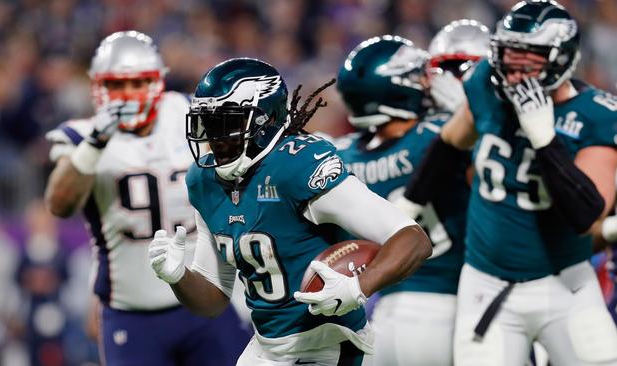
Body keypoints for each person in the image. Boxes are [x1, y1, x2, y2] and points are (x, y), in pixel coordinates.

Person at [148, 57, 432, 366]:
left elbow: (412, 238)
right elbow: (213, 300)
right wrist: (178, 276)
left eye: (226, 124)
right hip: (266, 348)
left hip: (329, 345)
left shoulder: (296, 167)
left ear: (264, 122)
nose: (213, 139)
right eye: (208, 124)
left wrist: (358, 287)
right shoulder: (204, 181)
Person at [397, 1, 617, 365]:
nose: (514, 67)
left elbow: (587, 215)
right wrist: (404, 212)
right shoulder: (487, 84)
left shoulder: (595, 115)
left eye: (527, 57)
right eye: (508, 54)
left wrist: (545, 140)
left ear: (561, 59)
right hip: (487, 284)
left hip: (566, 285)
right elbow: (451, 143)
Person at [44, 31, 249, 366]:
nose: (127, 95)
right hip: (131, 312)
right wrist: (95, 144)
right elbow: (59, 203)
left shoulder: (189, 112)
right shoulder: (83, 136)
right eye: (116, 85)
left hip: (207, 297)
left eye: (138, 83)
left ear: (157, 81)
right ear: (98, 87)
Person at [334, 23, 488, 366]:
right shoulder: (438, 136)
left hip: (381, 313)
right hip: (451, 305)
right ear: (398, 89)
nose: (430, 82)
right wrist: (470, 117)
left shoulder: (341, 156)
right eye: (420, 76)